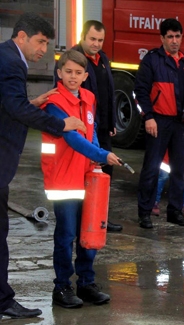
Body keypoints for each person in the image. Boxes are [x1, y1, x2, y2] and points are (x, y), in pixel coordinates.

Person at [0, 12, 85, 319]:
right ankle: (3, 300)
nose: (43, 49)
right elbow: (14, 109)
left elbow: (10, 104)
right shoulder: (11, 62)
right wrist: (60, 124)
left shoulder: (6, 56)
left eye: (47, 43)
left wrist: (29, 104)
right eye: (40, 41)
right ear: (21, 36)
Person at [41, 49, 122, 308]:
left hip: (87, 175)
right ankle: (62, 287)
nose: (73, 77)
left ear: (86, 75)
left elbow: (91, 129)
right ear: (59, 73)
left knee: (89, 232)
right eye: (68, 72)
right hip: (64, 179)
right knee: (66, 235)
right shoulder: (54, 103)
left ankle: (86, 283)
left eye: (78, 73)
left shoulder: (88, 96)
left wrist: (97, 155)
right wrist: (102, 153)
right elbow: (72, 138)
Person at [134, 18, 184, 229]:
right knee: (151, 169)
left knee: (180, 170)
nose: (174, 40)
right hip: (159, 121)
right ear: (162, 38)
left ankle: (175, 211)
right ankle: (144, 213)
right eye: (170, 36)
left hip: (181, 124)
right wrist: (148, 117)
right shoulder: (152, 61)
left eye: (177, 36)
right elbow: (139, 92)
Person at [57, 20, 123, 232]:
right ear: (83, 37)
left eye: (100, 40)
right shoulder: (73, 61)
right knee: (83, 173)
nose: (96, 44)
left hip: (101, 126)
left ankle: (99, 214)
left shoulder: (103, 59)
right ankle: (80, 218)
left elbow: (108, 92)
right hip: (81, 127)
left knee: (104, 171)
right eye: (92, 39)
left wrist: (111, 121)